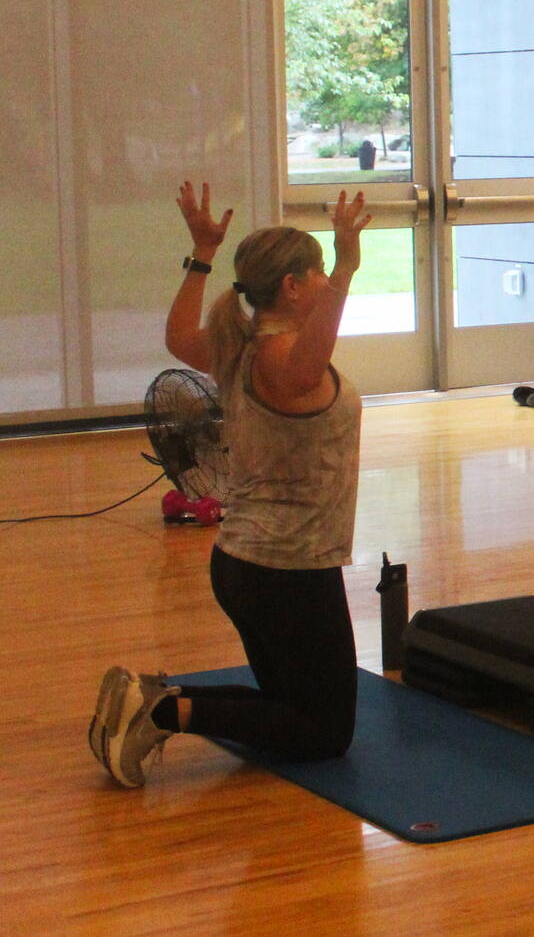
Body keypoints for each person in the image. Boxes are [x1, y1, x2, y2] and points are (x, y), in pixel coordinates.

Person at [90, 182, 371, 788]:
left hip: (247, 565)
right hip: (287, 569)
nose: (324, 281)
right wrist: (347, 265)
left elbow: (174, 338)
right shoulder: (282, 361)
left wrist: (201, 254)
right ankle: (161, 712)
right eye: (316, 273)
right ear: (293, 286)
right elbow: (313, 351)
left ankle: (148, 696)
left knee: (293, 704)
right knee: (325, 734)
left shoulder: (234, 346)